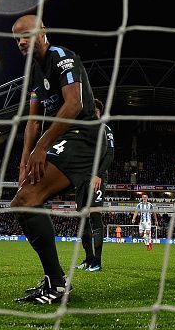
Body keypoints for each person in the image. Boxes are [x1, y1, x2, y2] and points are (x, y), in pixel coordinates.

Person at [11, 15, 98, 303]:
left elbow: (75, 104)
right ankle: (55, 281)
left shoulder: (62, 57)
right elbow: (34, 120)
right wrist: (25, 159)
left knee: (25, 201)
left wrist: (41, 148)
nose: (21, 42)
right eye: (17, 38)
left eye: (26, 35)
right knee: (22, 204)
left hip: (81, 140)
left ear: (42, 32)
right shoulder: (35, 71)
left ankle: (58, 284)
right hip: (60, 142)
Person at [75, 98, 115, 272]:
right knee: (83, 220)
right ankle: (88, 258)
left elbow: (110, 154)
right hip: (81, 180)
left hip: (96, 179)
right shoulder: (82, 131)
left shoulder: (105, 129)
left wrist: (99, 175)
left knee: (95, 218)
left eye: (95, 111)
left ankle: (97, 262)